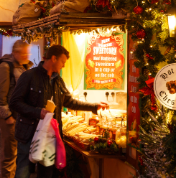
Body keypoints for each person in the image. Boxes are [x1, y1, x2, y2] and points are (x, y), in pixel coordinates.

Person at [10, 44, 108, 178]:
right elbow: (14, 102)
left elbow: (70, 102)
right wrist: (38, 112)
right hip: (28, 133)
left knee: (47, 173)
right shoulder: (29, 76)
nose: (64, 65)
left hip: (49, 137)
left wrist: (94, 106)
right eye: (63, 61)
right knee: (23, 172)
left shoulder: (58, 81)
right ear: (54, 58)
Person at [0, 40, 33, 178]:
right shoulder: (5, 67)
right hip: (11, 118)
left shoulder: (25, 67)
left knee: (20, 154)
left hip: (22, 117)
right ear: (15, 53)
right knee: (10, 155)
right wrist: (7, 116)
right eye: (24, 53)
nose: (27, 55)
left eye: (28, 52)